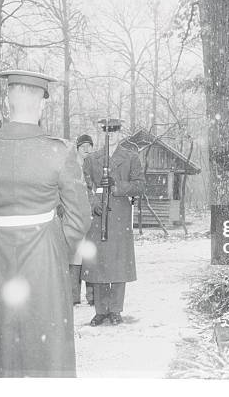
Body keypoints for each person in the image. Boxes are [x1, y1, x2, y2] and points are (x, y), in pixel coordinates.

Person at [0, 70, 91, 378]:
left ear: (7, 102)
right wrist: (59, 246)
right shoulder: (59, 151)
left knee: (0, 337)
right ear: (42, 106)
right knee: (48, 342)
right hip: (45, 253)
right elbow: (80, 216)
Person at [81, 126, 146, 326]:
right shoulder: (91, 159)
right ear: (103, 134)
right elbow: (84, 186)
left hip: (119, 217)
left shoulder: (131, 157)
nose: (112, 136)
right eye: (108, 132)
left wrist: (117, 186)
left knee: (119, 263)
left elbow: (140, 185)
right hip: (98, 217)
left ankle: (116, 310)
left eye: (116, 132)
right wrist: (93, 204)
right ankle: (101, 310)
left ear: (121, 134)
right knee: (99, 264)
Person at [68, 134, 95, 306]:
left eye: (89, 146)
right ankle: (73, 296)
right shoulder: (70, 167)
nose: (86, 149)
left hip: (90, 217)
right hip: (73, 216)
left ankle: (92, 296)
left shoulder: (93, 166)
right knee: (74, 257)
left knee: (90, 256)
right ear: (77, 148)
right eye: (83, 146)